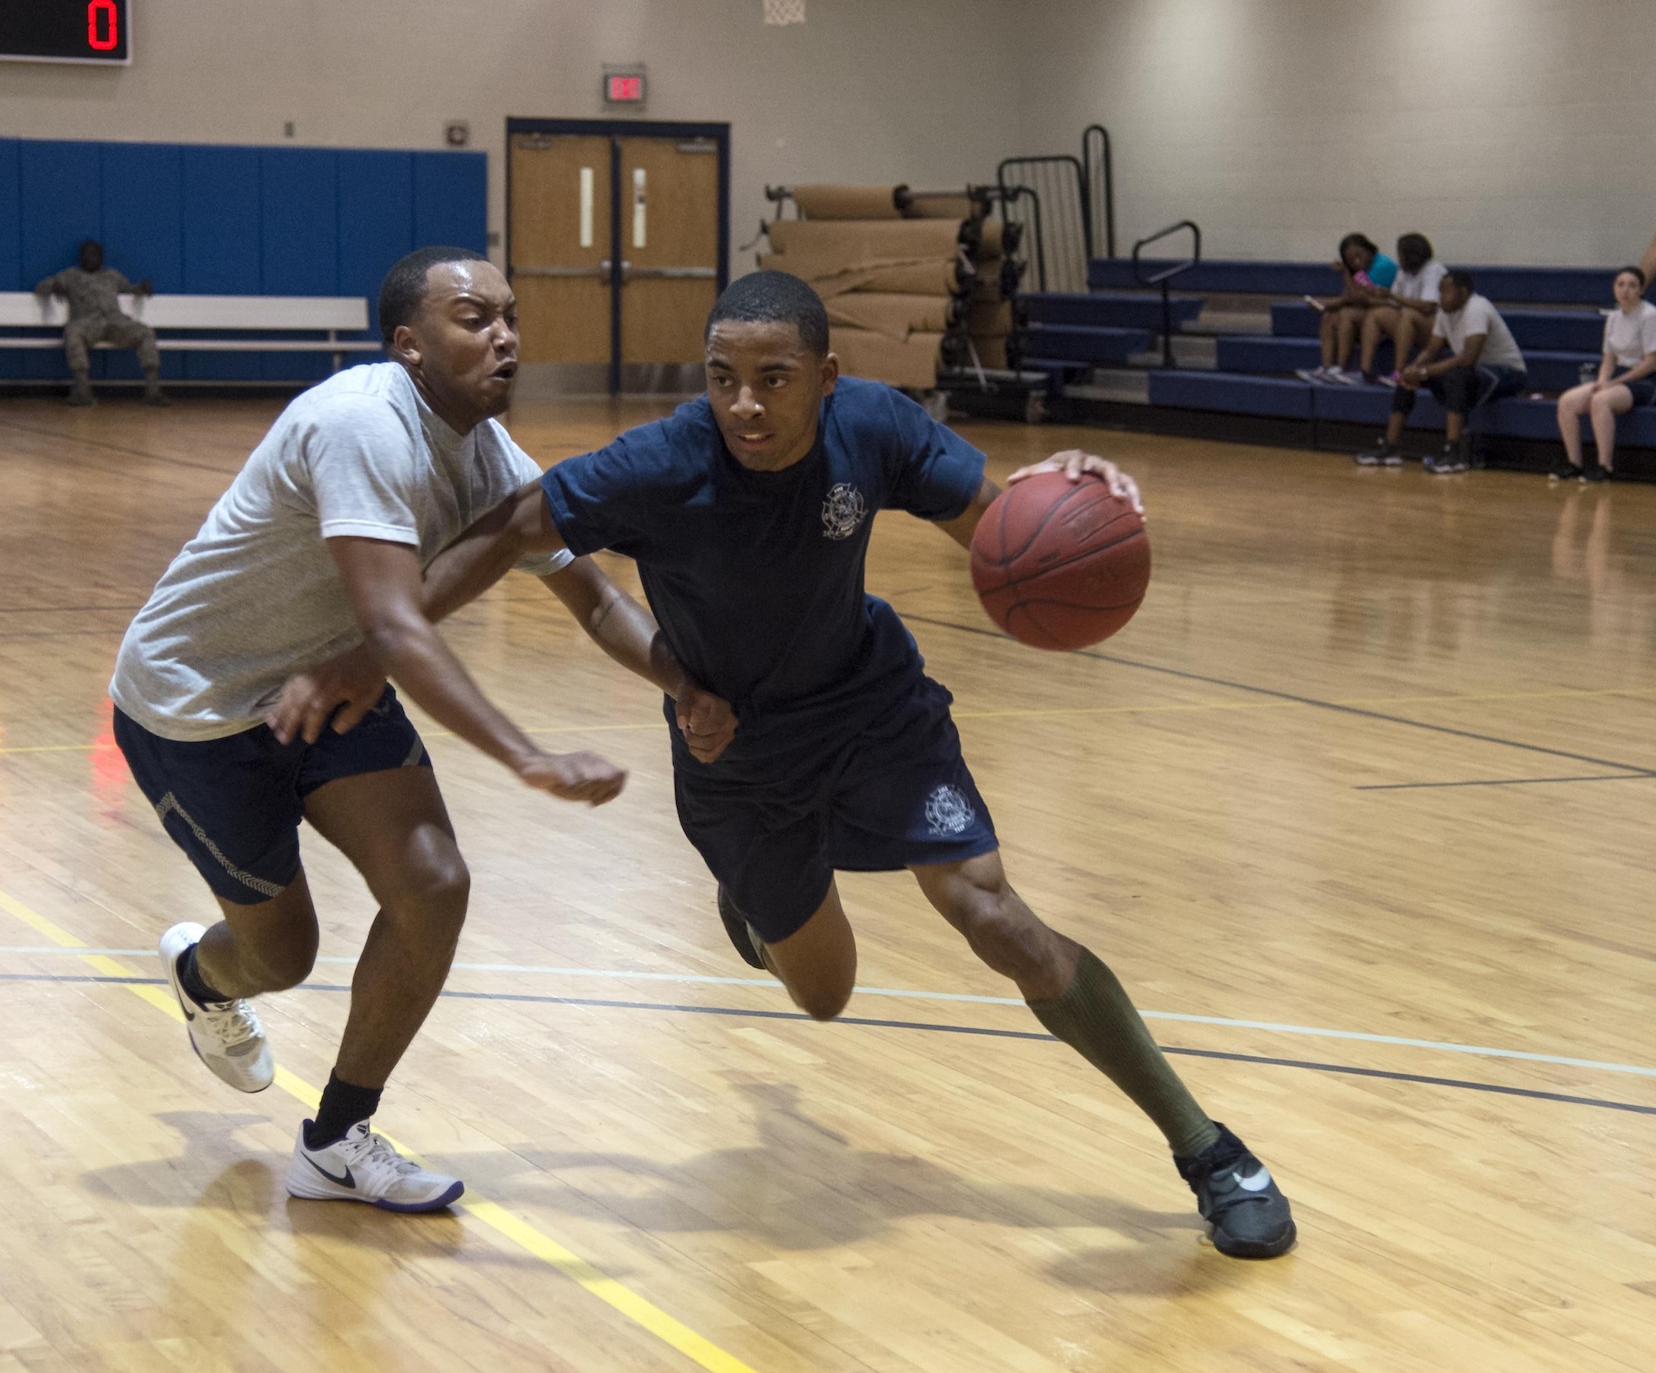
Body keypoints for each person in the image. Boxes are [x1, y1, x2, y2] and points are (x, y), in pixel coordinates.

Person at [277, 270, 1300, 1260]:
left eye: (771, 378)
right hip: (737, 756)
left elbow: (1003, 531)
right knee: (823, 993)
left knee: (997, 918)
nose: (742, 404)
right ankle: (755, 914)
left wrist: (1073, 492)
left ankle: (1210, 1153)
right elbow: (507, 530)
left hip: (873, 710)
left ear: (826, 374)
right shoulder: (658, 463)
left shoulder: (876, 427)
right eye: (721, 376)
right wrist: (368, 650)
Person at [110, 246, 732, 1212]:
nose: (506, 337)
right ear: (408, 344)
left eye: (511, 317)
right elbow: (399, 625)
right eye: (474, 318)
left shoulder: (491, 456)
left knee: (435, 884)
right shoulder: (363, 425)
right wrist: (527, 756)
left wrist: (686, 681)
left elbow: (596, 599)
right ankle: (202, 974)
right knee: (283, 956)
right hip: (200, 704)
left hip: (331, 686)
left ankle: (334, 1140)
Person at [1356, 270, 1528, 474]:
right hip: (1474, 374)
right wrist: (1414, 368)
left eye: (1446, 292)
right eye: (1439, 292)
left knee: (1457, 375)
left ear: (1463, 293)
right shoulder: (1444, 313)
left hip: (1507, 374)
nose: (1441, 298)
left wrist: (1424, 372)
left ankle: (1453, 452)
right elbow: (1430, 349)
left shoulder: (1477, 308)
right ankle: (1389, 447)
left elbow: (1467, 358)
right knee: (1406, 378)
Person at [1550, 266, 1656, 484]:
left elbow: (1651, 362)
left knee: (1601, 401)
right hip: (1620, 377)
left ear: (1640, 290)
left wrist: (1614, 383)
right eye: (1620, 285)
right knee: (1567, 402)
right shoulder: (1614, 318)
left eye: (1632, 285)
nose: (1625, 290)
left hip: (1646, 381)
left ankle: (1605, 467)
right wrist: (1601, 381)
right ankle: (1574, 464)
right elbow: (1609, 359)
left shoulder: (1649, 315)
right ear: (1614, 288)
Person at [35, 241, 166, 406]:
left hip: (115, 322)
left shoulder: (112, 275)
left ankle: (153, 391)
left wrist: (142, 287)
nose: (90, 258)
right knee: (72, 333)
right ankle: (82, 392)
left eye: (94, 254)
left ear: (101, 258)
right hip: (87, 323)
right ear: (81, 257)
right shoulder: (70, 275)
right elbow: (40, 287)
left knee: (146, 332)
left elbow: (130, 288)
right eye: (87, 254)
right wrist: (53, 285)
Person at [1298, 232, 1399, 385]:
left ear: (1369, 249)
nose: (1357, 262)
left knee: (1346, 315)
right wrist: (1323, 305)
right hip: (1367, 310)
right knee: (1329, 316)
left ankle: (1341, 368)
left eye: (1359, 255)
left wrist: (1345, 271)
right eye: (1351, 260)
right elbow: (1349, 297)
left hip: (1386, 314)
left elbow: (1357, 299)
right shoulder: (1361, 270)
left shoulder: (1382, 265)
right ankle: (1327, 368)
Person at [1357, 231, 1445, 385]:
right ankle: (1364, 371)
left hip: (1435, 329)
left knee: (1409, 314)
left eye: (1400, 253)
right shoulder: (1402, 272)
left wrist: (1391, 296)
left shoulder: (1433, 269)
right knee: (1376, 314)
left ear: (1411, 255)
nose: (1398, 258)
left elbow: (1428, 306)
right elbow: (1394, 304)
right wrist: (1373, 297)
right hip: (1410, 324)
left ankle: (1399, 371)